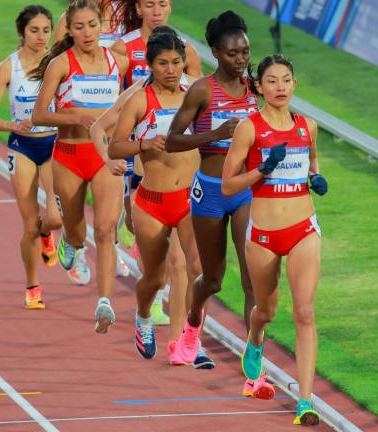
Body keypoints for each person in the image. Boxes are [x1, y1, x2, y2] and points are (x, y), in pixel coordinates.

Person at [222, 54, 328, 426]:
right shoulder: (249, 129)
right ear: (259, 87)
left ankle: (304, 401)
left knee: (305, 312)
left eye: (286, 80)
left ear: (294, 84)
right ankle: (255, 338)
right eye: (272, 81)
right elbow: (228, 184)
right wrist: (261, 170)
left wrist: (317, 179)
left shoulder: (307, 127)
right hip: (264, 234)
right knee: (266, 310)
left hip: (303, 229)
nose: (280, 87)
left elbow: (312, 165)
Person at [109, 26, 208, 366]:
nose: (171, 69)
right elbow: (114, 145)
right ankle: (143, 316)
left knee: (186, 266)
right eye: (163, 63)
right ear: (150, 65)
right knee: (155, 277)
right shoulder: (140, 100)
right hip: (151, 202)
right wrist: (143, 144)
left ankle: (182, 342)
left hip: (188, 199)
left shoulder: (194, 95)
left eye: (177, 62)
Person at [31, 0, 129, 334]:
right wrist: (78, 117)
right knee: (77, 230)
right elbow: (39, 115)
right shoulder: (61, 64)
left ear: (101, 26)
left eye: (92, 25)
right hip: (69, 156)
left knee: (105, 230)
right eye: (80, 27)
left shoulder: (118, 62)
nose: (87, 33)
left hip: (105, 158)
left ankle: (104, 302)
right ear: (69, 31)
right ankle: (70, 243)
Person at [166, 11, 257, 367]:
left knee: (253, 279)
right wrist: (216, 135)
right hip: (210, 191)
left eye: (245, 52)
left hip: (246, 190)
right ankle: (192, 325)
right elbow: (172, 140)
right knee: (214, 279)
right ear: (216, 53)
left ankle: (254, 361)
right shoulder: (203, 90)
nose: (240, 60)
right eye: (233, 53)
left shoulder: (255, 88)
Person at [0, 4, 61, 310]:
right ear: (22, 32)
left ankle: (47, 233)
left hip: (53, 145)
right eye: (34, 30)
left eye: (46, 30)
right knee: (29, 225)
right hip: (22, 147)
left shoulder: (57, 63)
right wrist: (12, 124)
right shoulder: (8, 67)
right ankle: (32, 285)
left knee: (53, 217)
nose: (41, 37)